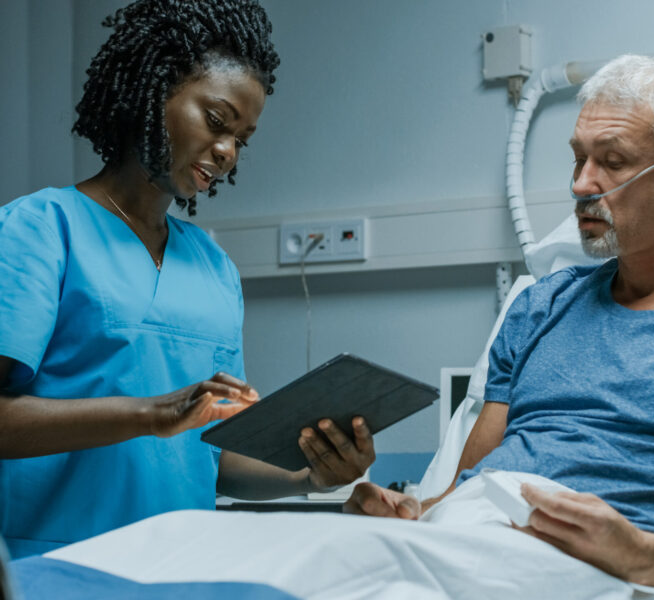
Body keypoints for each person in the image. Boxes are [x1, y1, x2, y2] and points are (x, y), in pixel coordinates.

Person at [344, 55, 654, 600]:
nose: (582, 184)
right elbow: (471, 486)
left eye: (613, 162)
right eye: (578, 158)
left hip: (598, 573)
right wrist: (407, 517)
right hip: (473, 540)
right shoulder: (542, 306)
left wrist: (642, 554)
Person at [0, 0, 374, 560]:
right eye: (217, 121)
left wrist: (311, 476)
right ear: (151, 93)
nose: (227, 153)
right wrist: (153, 414)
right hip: (57, 567)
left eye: (241, 140)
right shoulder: (40, 229)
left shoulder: (213, 267)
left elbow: (213, 455)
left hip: (179, 569)